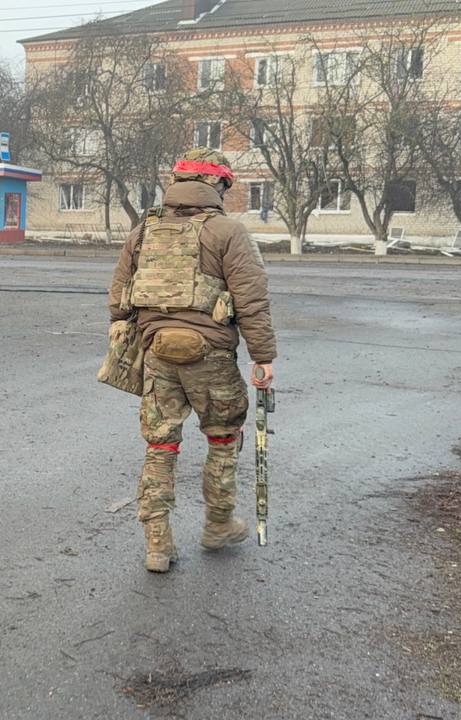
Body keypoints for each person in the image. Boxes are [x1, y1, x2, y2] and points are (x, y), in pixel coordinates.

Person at [107, 147, 277, 573]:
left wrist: (131, 328)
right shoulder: (228, 232)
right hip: (211, 355)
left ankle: (158, 545)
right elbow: (251, 300)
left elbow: (119, 296)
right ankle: (218, 524)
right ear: (218, 184)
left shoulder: (144, 229)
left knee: (160, 445)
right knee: (222, 437)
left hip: (157, 351)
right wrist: (263, 357)